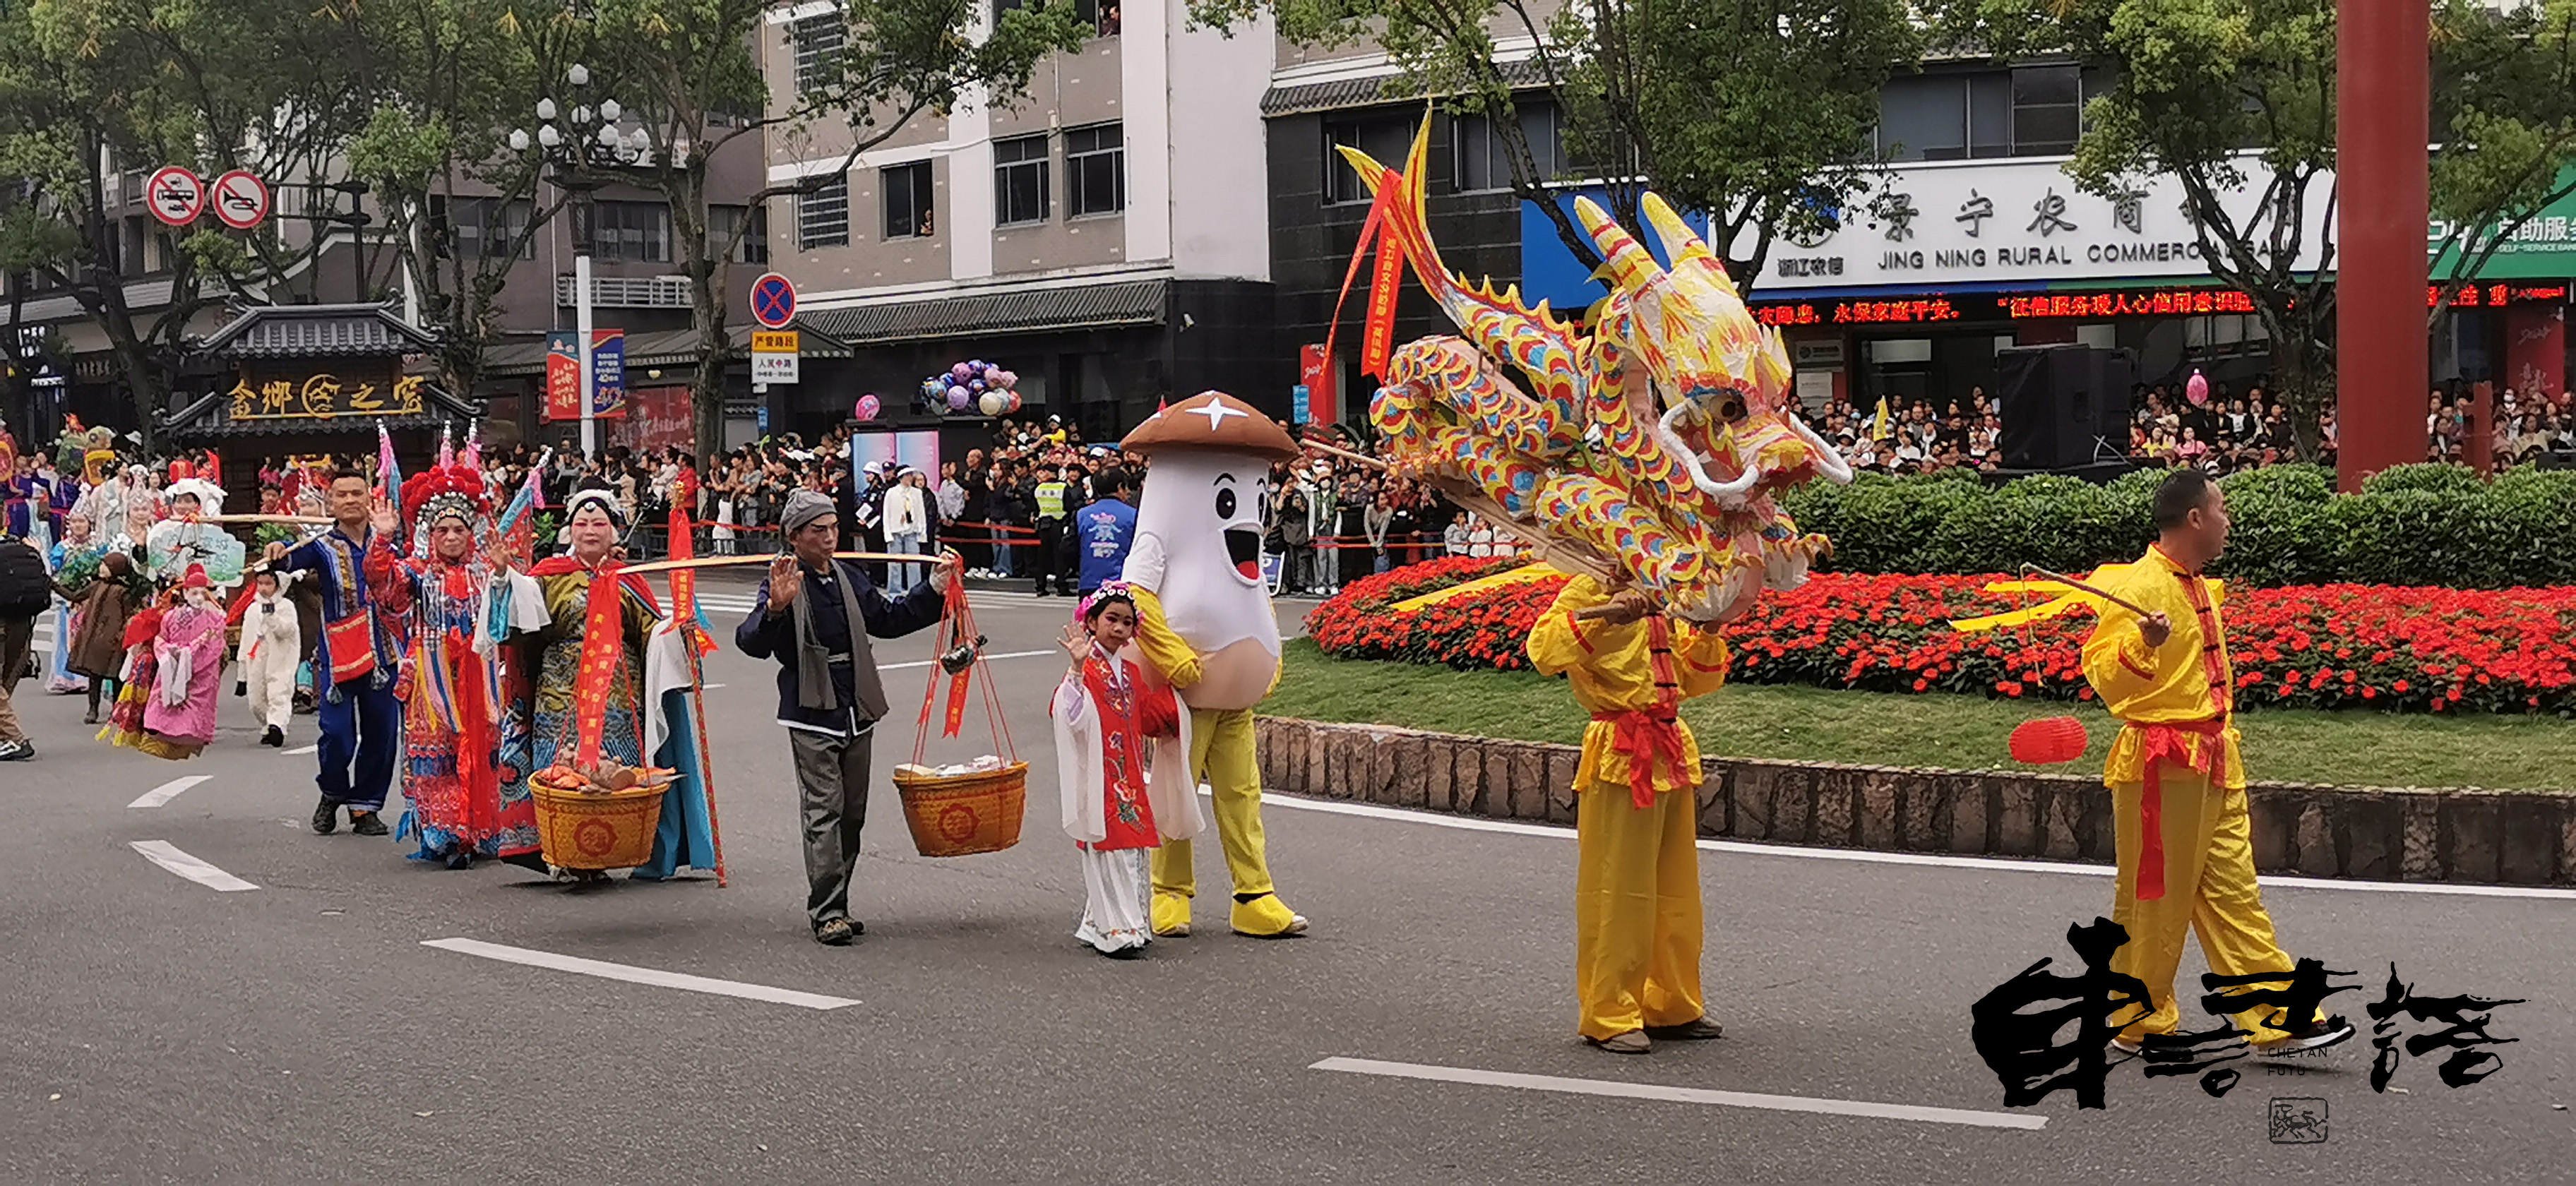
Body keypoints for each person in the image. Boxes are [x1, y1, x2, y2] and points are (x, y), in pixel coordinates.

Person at [2077, 469, 2354, 1057]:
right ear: (2196, 517)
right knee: (2156, 893)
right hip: (2162, 762)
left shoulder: (2196, 585)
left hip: (2214, 757)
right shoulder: (2141, 585)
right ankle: (2137, 1019)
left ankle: (2281, 1017)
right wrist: (2142, 644)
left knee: (2234, 891)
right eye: (2222, 509)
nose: (2229, 521)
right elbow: (2104, 676)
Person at [1118, 392, 1308, 939]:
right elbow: (1137, 594)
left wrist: (1267, 656)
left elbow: (1249, 594)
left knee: (1242, 795)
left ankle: (1254, 894)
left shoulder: (1246, 540)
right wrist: (1174, 657)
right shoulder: (1162, 526)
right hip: (1187, 693)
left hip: (1235, 698)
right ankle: (1169, 892)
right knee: (1177, 793)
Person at [1526, 575, 1739, 1054]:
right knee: (1617, 890)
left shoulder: (1662, 591)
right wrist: (1605, 614)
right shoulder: (1587, 589)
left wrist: (1710, 629)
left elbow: (1697, 681)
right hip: (1620, 753)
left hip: (1669, 748)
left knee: (1675, 889)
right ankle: (1609, 1012)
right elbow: (1542, 650)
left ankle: (1670, 1004)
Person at [735, 489, 950, 945]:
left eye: (833, 528)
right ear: (794, 536)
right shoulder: (782, 578)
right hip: (811, 707)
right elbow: (751, 642)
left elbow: (889, 619)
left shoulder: (848, 577)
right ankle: (827, 909)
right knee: (823, 811)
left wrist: (934, 589)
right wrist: (775, 608)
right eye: (819, 530)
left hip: (857, 705)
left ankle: (840, 900)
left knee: (852, 814)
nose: (830, 537)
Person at [486, 484, 718, 883]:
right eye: (581, 523)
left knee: (613, 776)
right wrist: (505, 576)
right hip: (560, 697)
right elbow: (519, 623)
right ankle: (567, 853)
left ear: (614, 531)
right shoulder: (548, 578)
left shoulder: (629, 579)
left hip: (617, 698)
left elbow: (650, 633)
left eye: (599, 523)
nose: (589, 530)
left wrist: (678, 629)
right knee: (563, 774)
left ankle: (605, 850)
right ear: (568, 531)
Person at [372, 462, 526, 868]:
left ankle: (484, 829)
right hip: (431, 679)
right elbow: (387, 595)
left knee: (487, 749)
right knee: (437, 756)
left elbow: (513, 615)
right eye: (443, 530)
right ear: (430, 534)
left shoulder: (484, 573)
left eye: (460, 529)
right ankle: (446, 832)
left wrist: (502, 574)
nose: (453, 537)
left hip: (481, 676)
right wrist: (383, 540)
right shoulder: (416, 572)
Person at [1049, 582, 1203, 957]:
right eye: (1111, 619)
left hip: (1129, 778)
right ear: (1092, 622)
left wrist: (1174, 698)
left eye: (1127, 622)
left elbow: (1147, 719)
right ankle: (1117, 930)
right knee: (1109, 851)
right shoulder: (1087, 669)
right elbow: (1066, 712)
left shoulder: (1132, 673)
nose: (1118, 628)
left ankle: (1102, 923)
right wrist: (1076, 669)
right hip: (1098, 777)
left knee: (1130, 851)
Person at [267, 469, 407, 836]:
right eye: (341, 495)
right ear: (330, 503)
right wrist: (278, 554)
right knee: (337, 733)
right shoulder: (320, 546)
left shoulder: (389, 542)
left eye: (356, 493)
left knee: (382, 733)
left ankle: (365, 808)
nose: (349, 500)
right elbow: (287, 564)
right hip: (339, 654)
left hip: (384, 653)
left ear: (368, 498)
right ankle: (332, 792)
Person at [111, 564, 228, 761]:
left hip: (201, 669)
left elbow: (216, 644)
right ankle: (159, 738)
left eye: (202, 592)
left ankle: (188, 741)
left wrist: (191, 656)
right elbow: (161, 638)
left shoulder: (215, 618)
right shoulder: (170, 616)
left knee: (193, 709)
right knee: (165, 704)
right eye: (194, 592)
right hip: (172, 665)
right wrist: (169, 653)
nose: (199, 597)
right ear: (185, 591)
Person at [236, 569, 301, 748]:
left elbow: (286, 630)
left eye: (268, 584)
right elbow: (246, 639)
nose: (264, 588)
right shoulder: (252, 609)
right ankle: (267, 724)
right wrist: (241, 675)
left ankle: (277, 726)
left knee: (278, 693)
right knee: (256, 700)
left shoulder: (286, 607)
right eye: (261, 583)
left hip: (281, 659)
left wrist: (271, 617)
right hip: (256, 658)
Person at [0, 525, 48, 761]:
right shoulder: (21, 547)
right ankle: (4, 737)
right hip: (22, 623)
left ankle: (15, 739)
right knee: (5, 682)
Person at [1073, 467, 1139, 597]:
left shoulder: (1082, 514)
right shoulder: (1134, 515)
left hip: (1089, 583)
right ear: (1120, 487)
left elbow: (1069, 548)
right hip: (1123, 585)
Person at [883, 467, 930, 595]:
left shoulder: (917, 493)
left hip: (912, 532)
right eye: (908, 475)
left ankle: (915, 591)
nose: (910, 478)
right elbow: (886, 514)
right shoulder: (891, 493)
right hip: (896, 532)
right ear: (902, 477)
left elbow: (921, 513)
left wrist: (922, 532)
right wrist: (887, 534)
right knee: (894, 564)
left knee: (914, 564)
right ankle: (894, 591)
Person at [1031, 462, 1073, 597]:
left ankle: (1040, 586)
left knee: (1042, 557)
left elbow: (1035, 508)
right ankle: (1061, 586)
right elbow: (1070, 507)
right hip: (1058, 524)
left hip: (1043, 525)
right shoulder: (1063, 487)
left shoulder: (1039, 488)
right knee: (1059, 557)